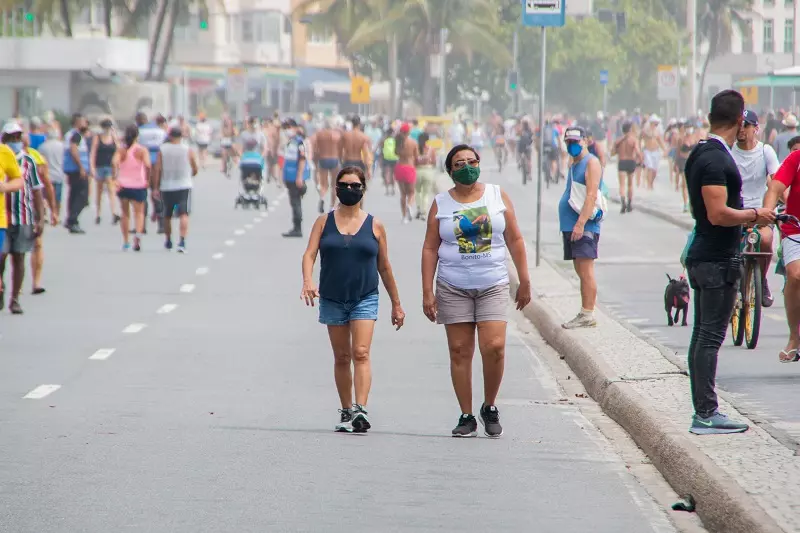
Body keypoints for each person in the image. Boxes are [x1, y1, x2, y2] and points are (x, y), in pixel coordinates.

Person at [421, 144, 531, 438]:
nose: (467, 167)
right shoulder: (441, 203)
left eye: (472, 161)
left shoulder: (496, 195)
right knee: (460, 351)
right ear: (450, 170)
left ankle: (489, 406)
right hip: (452, 286)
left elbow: (515, 239)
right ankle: (466, 415)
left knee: (494, 346)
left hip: (492, 283)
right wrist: (427, 291)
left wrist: (524, 280)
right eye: (459, 163)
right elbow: (430, 248)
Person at [685, 90, 774, 435]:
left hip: (708, 256)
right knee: (709, 336)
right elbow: (718, 214)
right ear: (739, 121)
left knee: (702, 335)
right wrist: (754, 214)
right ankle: (706, 412)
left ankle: (703, 410)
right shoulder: (714, 160)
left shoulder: (702, 152)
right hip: (715, 259)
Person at [301, 166, 405, 432]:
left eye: (355, 186)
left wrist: (396, 304)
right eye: (344, 185)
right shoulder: (323, 222)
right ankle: (346, 410)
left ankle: (360, 409)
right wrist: (308, 281)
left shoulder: (375, 225)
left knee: (361, 352)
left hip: (364, 296)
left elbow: (384, 267)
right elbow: (309, 254)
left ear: (363, 189)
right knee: (342, 356)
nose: (350, 190)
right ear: (336, 189)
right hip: (332, 298)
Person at [732, 109, 780, 307]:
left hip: (761, 211)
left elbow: (777, 183)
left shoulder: (765, 151)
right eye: (739, 125)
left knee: (766, 240)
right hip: (736, 212)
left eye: (746, 125)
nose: (742, 129)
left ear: (756, 128)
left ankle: (762, 280)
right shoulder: (728, 151)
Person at [559, 127, 604, 329]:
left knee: (586, 270)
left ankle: (587, 313)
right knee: (579, 269)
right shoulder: (574, 163)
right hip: (571, 225)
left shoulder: (591, 163)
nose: (572, 145)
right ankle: (585, 311)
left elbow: (591, 195)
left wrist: (580, 224)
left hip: (583, 226)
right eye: (568, 142)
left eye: (575, 142)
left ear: (585, 141)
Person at [0, 122, 44, 314]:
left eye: (18, 137)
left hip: (23, 216)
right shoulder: (2, 156)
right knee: (1, 257)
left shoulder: (28, 161)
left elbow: (37, 190)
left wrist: (40, 218)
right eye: (11, 138)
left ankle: (15, 298)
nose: (15, 141)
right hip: (3, 218)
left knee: (19, 257)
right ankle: (1, 289)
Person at [153, 122, 198, 254]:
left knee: (167, 214)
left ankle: (168, 240)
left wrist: (155, 186)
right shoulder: (187, 149)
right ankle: (182, 241)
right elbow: (195, 167)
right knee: (184, 213)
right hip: (184, 185)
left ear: (170, 136)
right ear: (181, 136)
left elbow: (157, 169)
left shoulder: (162, 149)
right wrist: (191, 174)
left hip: (167, 185)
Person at [113, 125, 151, 252]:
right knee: (139, 213)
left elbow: (114, 162)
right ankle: (137, 237)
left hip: (123, 185)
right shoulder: (142, 150)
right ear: (137, 136)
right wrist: (147, 179)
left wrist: (115, 177)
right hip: (138, 185)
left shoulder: (121, 150)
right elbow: (148, 165)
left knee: (125, 213)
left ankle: (125, 241)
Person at [63, 113, 91, 234]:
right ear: (78, 123)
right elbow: (74, 150)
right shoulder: (76, 135)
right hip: (77, 170)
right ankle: (72, 219)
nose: (86, 124)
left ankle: (71, 220)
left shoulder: (71, 134)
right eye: (84, 122)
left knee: (74, 195)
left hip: (73, 170)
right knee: (83, 197)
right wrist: (81, 168)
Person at [282, 119, 310, 238]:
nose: (286, 130)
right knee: (293, 202)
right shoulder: (290, 142)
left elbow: (302, 160)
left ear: (294, 128)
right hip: (289, 176)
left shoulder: (299, 142)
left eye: (288, 127)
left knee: (296, 202)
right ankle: (296, 227)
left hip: (295, 177)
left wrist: (299, 177)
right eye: (285, 128)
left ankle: (297, 228)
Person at [90, 118, 119, 226]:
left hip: (110, 167)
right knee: (99, 191)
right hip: (99, 166)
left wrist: (115, 138)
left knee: (111, 190)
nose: (107, 129)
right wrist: (92, 167)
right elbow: (93, 153)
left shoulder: (113, 138)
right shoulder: (97, 137)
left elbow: (118, 150)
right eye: (106, 127)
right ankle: (98, 214)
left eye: (109, 127)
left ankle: (113, 213)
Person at [612, 121, 641, 213]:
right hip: (631, 161)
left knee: (622, 185)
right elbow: (637, 151)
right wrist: (641, 160)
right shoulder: (633, 140)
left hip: (622, 161)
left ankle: (623, 202)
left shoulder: (618, 140)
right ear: (630, 130)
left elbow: (612, 153)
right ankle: (629, 204)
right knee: (630, 184)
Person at [313, 120, 341, 213]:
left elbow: (315, 149)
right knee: (334, 185)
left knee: (324, 184)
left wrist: (315, 160)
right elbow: (340, 148)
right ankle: (332, 206)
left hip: (323, 159)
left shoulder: (320, 134)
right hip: (334, 159)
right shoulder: (336, 135)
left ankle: (322, 198)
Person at [37, 126, 65, 219]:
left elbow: (40, 162)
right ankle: (56, 214)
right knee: (57, 197)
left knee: (45, 197)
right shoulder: (61, 146)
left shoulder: (42, 146)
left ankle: (45, 214)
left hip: (47, 175)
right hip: (58, 174)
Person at [394, 123, 419, 224]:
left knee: (403, 194)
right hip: (409, 167)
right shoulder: (413, 142)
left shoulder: (398, 142)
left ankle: (404, 216)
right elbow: (416, 157)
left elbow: (396, 153)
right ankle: (409, 204)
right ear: (409, 132)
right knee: (411, 193)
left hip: (400, 167)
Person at [641, 115, 667, 190]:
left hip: (656, 151)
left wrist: (665, 150)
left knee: (655, 170)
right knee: (650, 167)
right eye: (654, 123)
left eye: (656, 123)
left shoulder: (657, 131)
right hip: (647, 151)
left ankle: (651, 183)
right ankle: (649, 185)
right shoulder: (645, 131)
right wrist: (640, 150)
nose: (656, 125)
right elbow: (639, 139)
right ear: (651, 122)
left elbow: (660, 141)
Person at [415, 132, 436, 220]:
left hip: (417, 171)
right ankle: (423, 212)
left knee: (417, 191)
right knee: (426, 193)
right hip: (428, 171)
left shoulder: (416, 148)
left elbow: (413, 160)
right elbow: (434, 162)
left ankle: (418, 208)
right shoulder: (431, 149)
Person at [380, 127, 398, 196]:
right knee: (393, 174)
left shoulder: (384, 140)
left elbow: (381, 150)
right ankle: (393, 189)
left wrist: (380, 160)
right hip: (394, 158)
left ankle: (387, 190)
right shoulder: (395, 140)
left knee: (387, 174)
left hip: (386, 158)